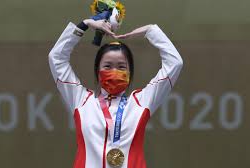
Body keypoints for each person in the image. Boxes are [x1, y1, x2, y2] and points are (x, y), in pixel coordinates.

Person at [48, 18, 183, 168]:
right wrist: (84, 25)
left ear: (129, 72)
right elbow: (56, 59)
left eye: (121, 66)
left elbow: (174, 63)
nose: (114, 72)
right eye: (107, 66)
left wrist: (151, 31)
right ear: (97, 71)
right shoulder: (81, 101)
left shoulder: (141, 102)